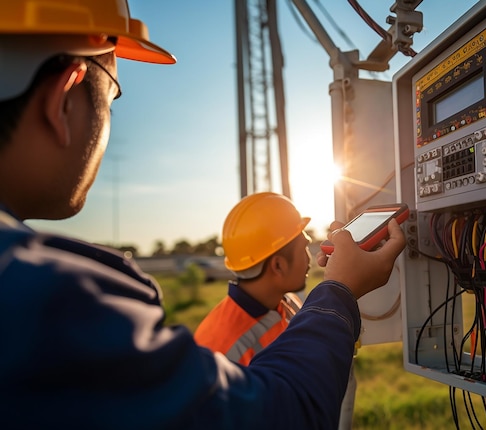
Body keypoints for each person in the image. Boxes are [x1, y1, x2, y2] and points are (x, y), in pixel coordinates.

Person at [0, 1, 407, 429]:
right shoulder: (46, 307)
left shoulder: (285, 306)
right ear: (64, 95)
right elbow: (278, 414)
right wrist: (339, 290)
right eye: (111, 98)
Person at [194, 192, 310, 366]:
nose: (310, 258)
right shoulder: (220, 355)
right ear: (278, 265)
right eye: (304, 249)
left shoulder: (286, 302)